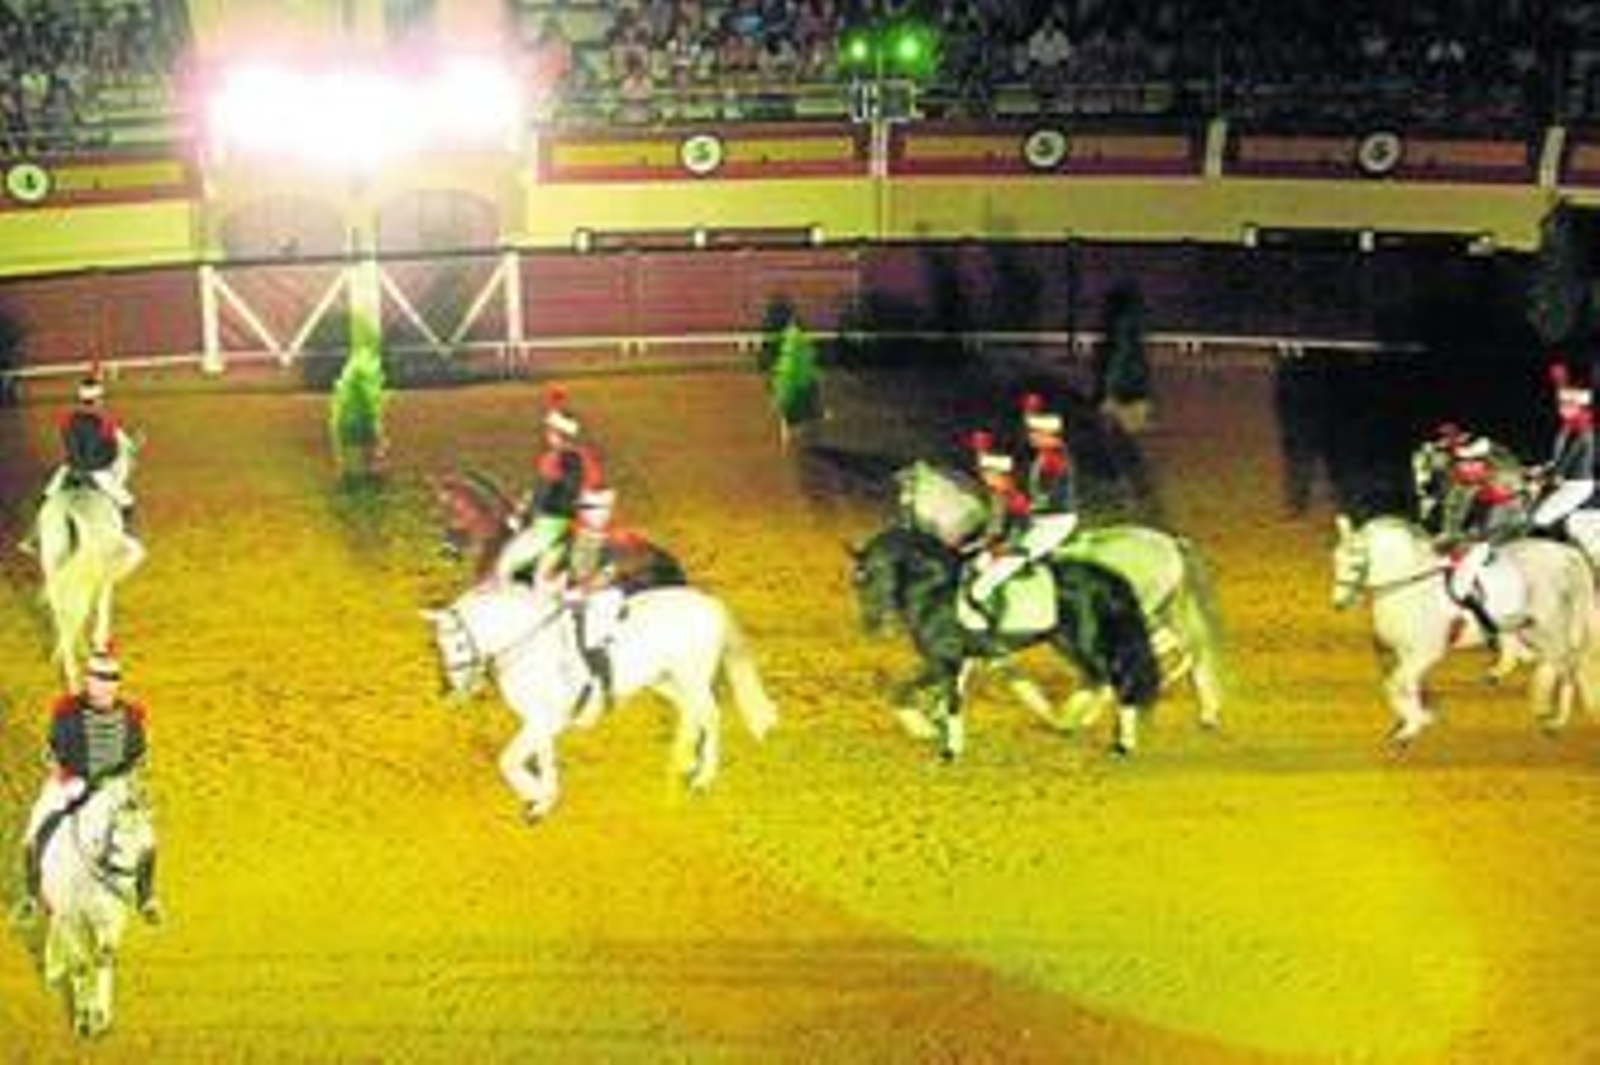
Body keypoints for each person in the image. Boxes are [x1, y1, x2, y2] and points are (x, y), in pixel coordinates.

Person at [12, 648, 161, 927]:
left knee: (147, 837)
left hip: (115, 784)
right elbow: (51, 751)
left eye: (112, 679)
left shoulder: (131, 716)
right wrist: (62, 771)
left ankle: (146, 897)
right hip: (72, 780)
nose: (106, 686)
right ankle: (31, 895)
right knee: (35, 830)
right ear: (88, 681)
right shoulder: (67, 712)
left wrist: (130, 778)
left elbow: (139, 755)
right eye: (99, 678)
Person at [493, 385, 606, 585]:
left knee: (510, 563)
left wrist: (526, 512)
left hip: (555, 522)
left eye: (551, 431)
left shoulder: (566, 458)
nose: (547, 434)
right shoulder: (563, 456)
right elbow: (542, 488)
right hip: (558, 519)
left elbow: (556, 492)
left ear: (559, 434)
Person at [1436, 433, 1528, 650]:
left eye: (1470, 463)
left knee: (1461, 581)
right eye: (1461, 463)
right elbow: (1455, 520)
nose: (1464, 467)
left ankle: (1487, 626)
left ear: (1482, 463)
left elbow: (1501, 522)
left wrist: (1466, 540)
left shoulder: (1495, 487)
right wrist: (1447, 537)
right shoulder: (1460, 486)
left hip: (1495, 540)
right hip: (1464, 541)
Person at [561, 487, 625, 728]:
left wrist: (583, 590)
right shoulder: (575, 537)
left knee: (589, 641)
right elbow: (566, 567)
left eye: (594, 509)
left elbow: (608, 573)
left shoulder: (611, 539)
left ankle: (606, 689)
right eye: (585, 508)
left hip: (604, 596)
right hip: (572, 595)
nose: (589, 513)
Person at [42, 368, 138, 513]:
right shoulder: (106, 420)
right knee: (124, 498)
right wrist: (131, 443)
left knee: (60, 473)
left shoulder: (66, 418)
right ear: (98, 399)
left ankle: (46, 496)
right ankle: (126, 507)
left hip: (73, 464)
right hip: (96, 467)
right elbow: (121, 441)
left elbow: (66, 439)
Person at [963, 431, 1032, 628]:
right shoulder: (996, 497)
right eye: (985, 474)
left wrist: (1002, 548)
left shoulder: (1016, 499)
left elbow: (1021, 528)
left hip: (1013, 552)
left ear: (1000, 475)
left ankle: (994, 624)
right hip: (996, 549)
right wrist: (972, 545)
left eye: (989, 474)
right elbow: (992, 531)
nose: (985, 478)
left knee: (980, 588)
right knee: (970, 571)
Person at [1531, 369, 1596, 536]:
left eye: (1567, 406)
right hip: (1567, 481)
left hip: (1576, 485)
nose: (1561, 409)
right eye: (1561, 405)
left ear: (1579, 408)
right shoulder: (1567, 427)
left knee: (1540, 518)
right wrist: (1543, 468)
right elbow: (1558, 458)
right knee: (1536, 511)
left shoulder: (1582, 431)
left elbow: (1567, 460)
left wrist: (1547, 477)